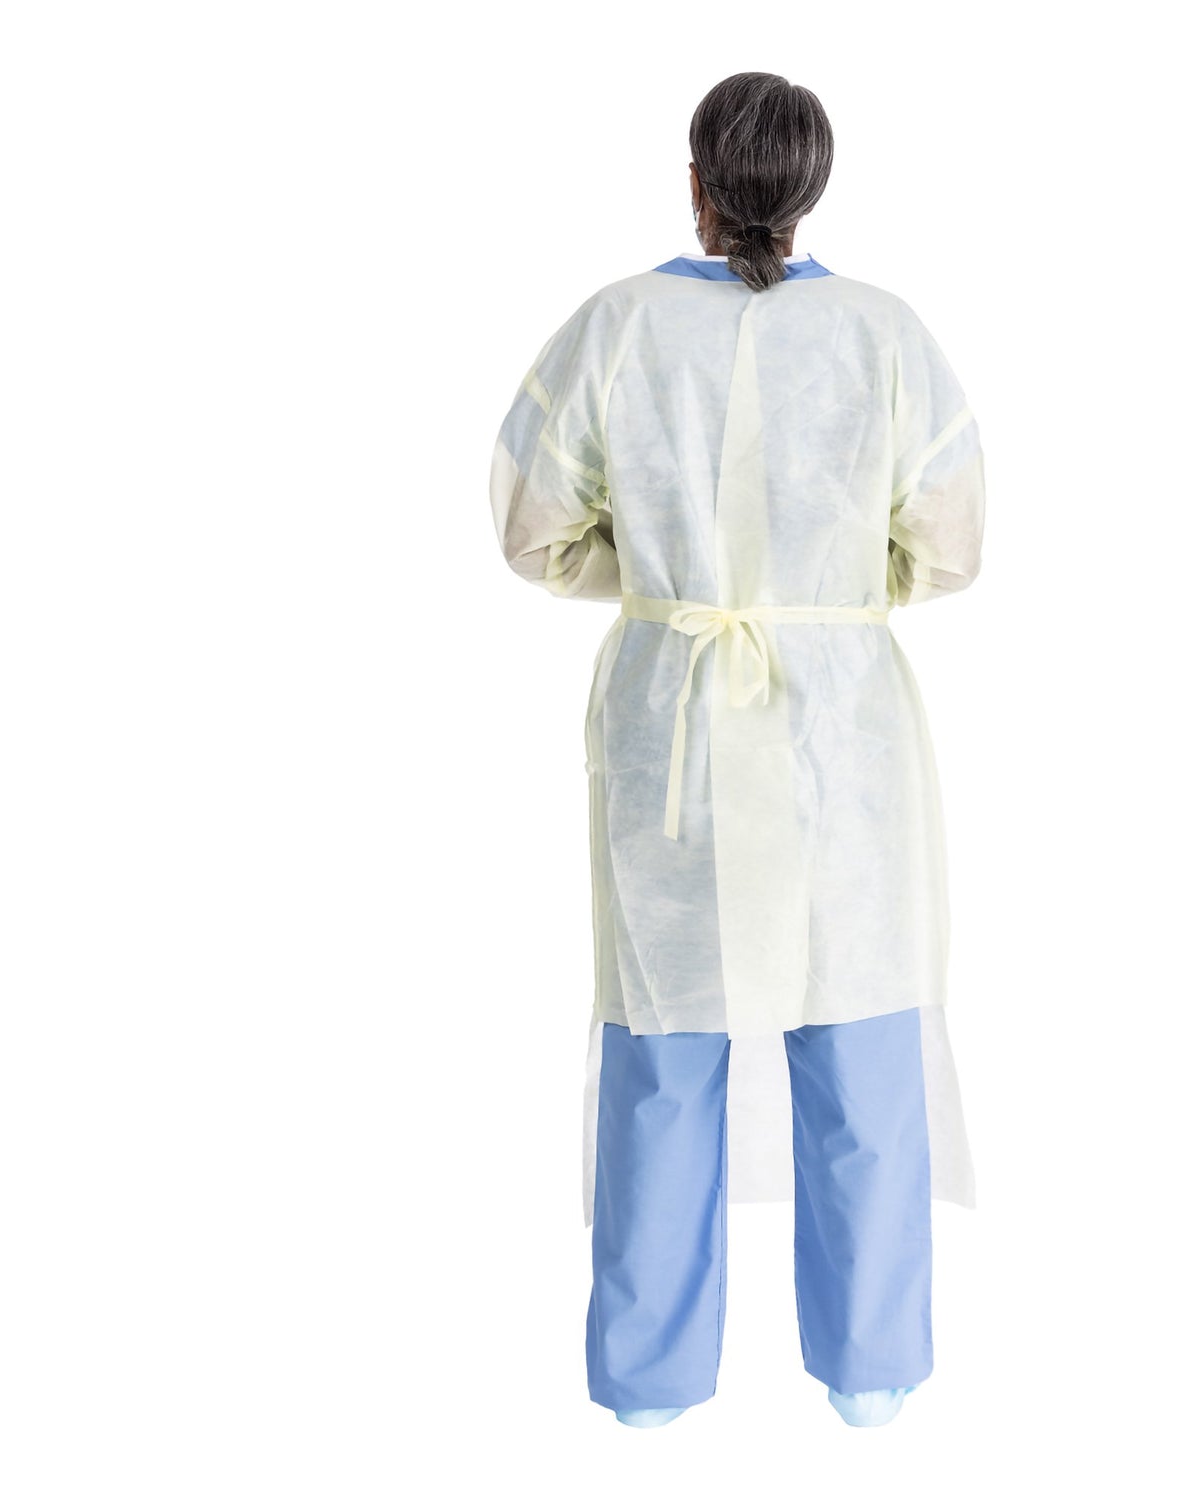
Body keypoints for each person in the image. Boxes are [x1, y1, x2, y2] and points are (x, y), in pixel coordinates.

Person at [489, 71, 986, 1428]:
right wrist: (834, 591)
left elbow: (531, 528)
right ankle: (872, 1375)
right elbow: (949, 547)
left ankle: (648, 1386)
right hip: (842, 730)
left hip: (677, 719)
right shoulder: (885, 334)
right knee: (861, 1025)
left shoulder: (617, 327)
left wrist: (660, 578)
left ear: (696, 184)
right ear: (812, 187)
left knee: (665, 1038)